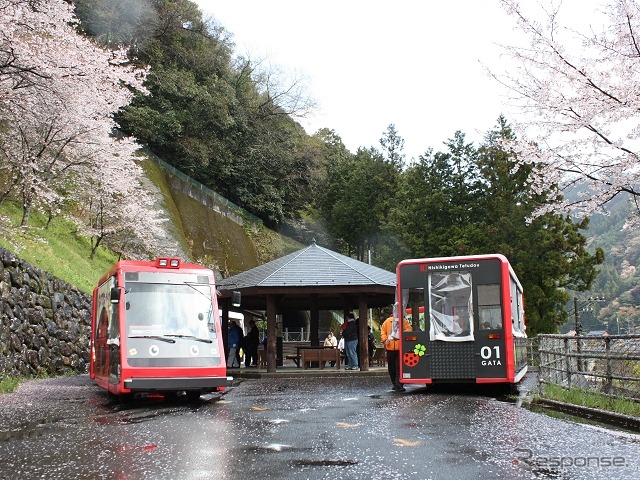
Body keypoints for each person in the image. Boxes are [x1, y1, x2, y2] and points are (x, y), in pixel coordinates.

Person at [380, 304, 412, 392]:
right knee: (395, 367)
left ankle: (397, 384)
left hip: (396, 348)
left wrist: (385, 339)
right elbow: (409, 329)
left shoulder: (399, 321)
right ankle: (396, 384)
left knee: (394, 367)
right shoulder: (391, 321)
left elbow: (409, 329)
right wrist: (385, 339)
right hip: (395, 348)